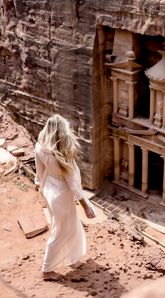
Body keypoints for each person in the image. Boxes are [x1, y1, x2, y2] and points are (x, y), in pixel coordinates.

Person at [34, 114, 96, 281]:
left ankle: (71, 258)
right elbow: (74, 185)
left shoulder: (40, 146)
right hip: (62, 195)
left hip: (50, 191)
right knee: (61, 231)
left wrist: (38, 184)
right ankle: (46, 270)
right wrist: (86, 206)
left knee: (69, 226)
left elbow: (39, 172)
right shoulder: (62, 155)